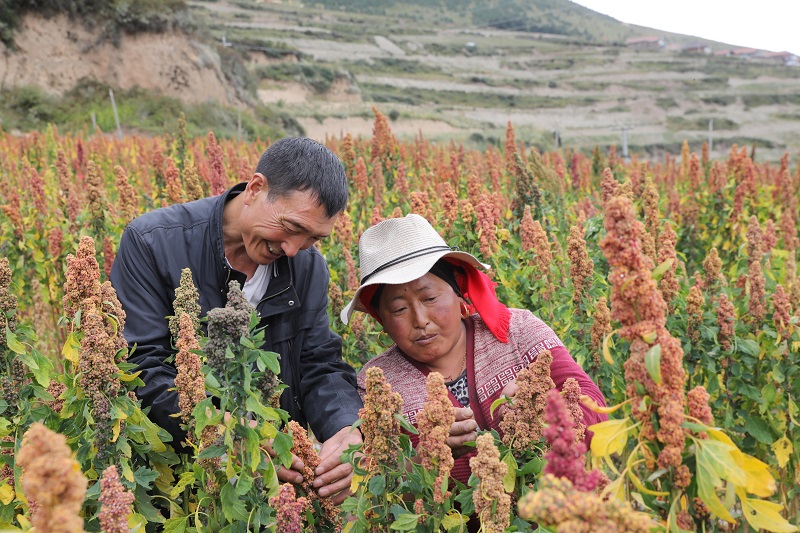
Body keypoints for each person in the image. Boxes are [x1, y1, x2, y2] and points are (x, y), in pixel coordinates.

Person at [110, 137, 362, 503]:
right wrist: (226, 432)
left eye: (313, 238)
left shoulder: (308, 267)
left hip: (277, 489)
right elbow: (141, 367)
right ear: (256, 189)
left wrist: (348, 428)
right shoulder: (153, 244)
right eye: (291, 227)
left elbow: (318, 364)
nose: (293, 249)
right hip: (179, 482)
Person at [340, 213, 607, 484]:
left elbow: (594, 408)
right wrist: (423, 462)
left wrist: (544, 418)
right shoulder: (377, 384)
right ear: (382, 321)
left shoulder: (519, 330)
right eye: (398, 309)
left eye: (430, 298)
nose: (420, 320)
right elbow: (377, 487)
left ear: (459, 294)